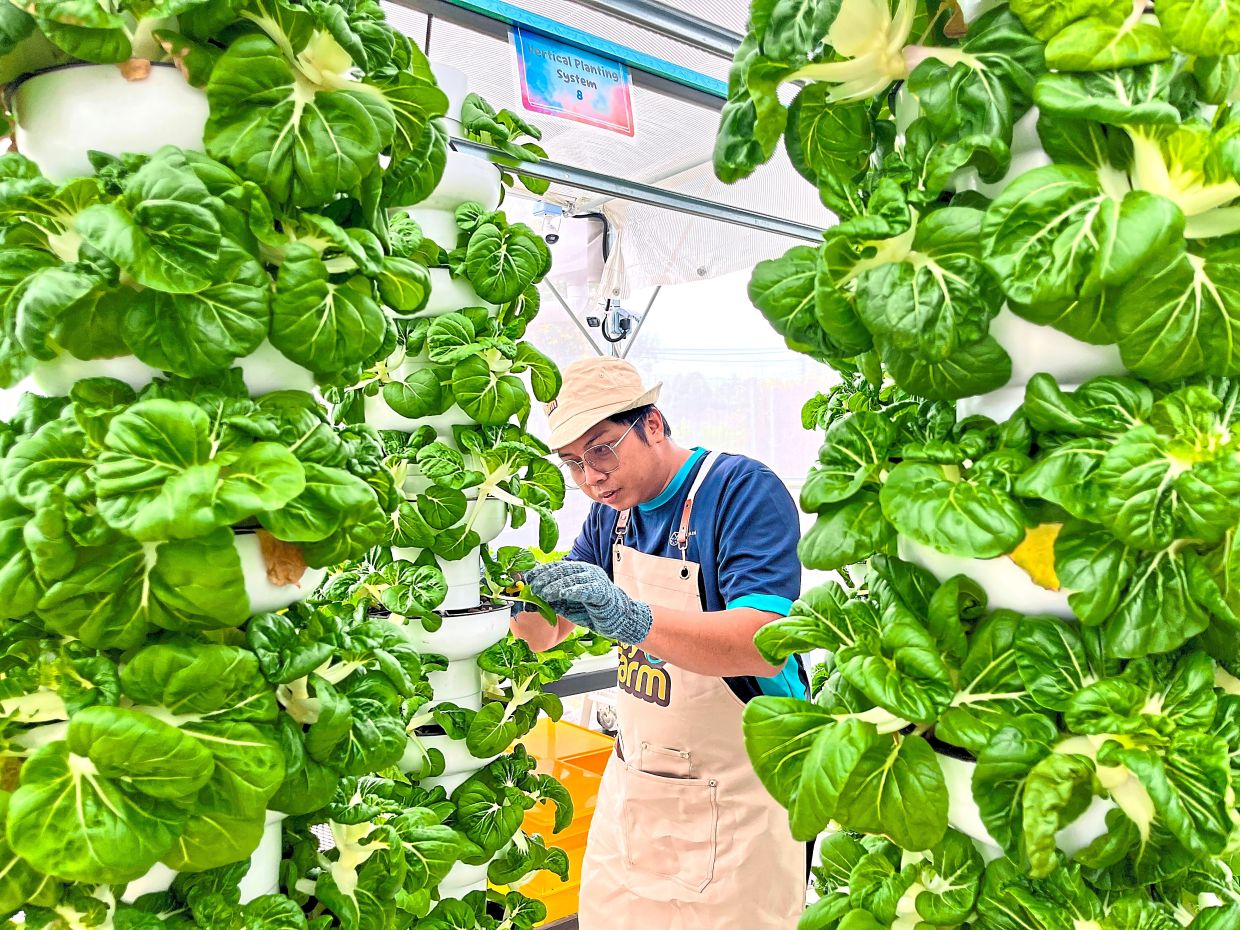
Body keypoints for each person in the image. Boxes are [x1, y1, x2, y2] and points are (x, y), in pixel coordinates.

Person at [511, 357, 808, 928]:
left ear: (652, 423)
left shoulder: (740, 492)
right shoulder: (609, 519)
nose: (590, 478)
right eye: (572, 462)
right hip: (639, 787)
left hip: (742, 788)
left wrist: (629, 618)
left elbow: (761, 641)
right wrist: (506, 587)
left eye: (600, 449)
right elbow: (546, 635)